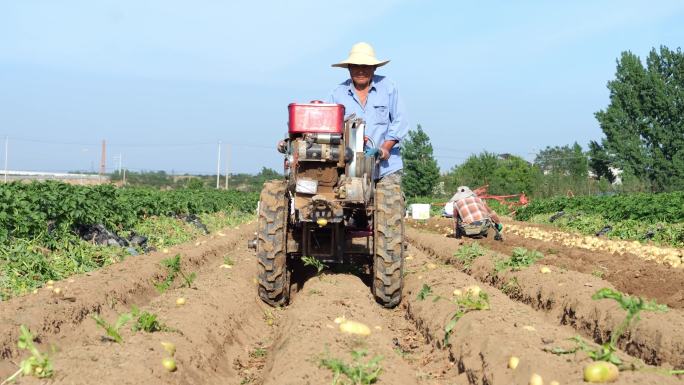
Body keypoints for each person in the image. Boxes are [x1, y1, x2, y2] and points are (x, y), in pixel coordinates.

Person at [328, 42, 408, 187]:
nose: (360, 71)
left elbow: (400, 122)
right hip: (348, 168)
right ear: (349, 68)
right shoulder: (337, 93)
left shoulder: (388, 87)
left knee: (389, 204)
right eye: (356, 66)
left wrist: (384, 149)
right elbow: (328, 126)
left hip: (386, 168)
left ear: (374, 67)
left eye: (365, 66)